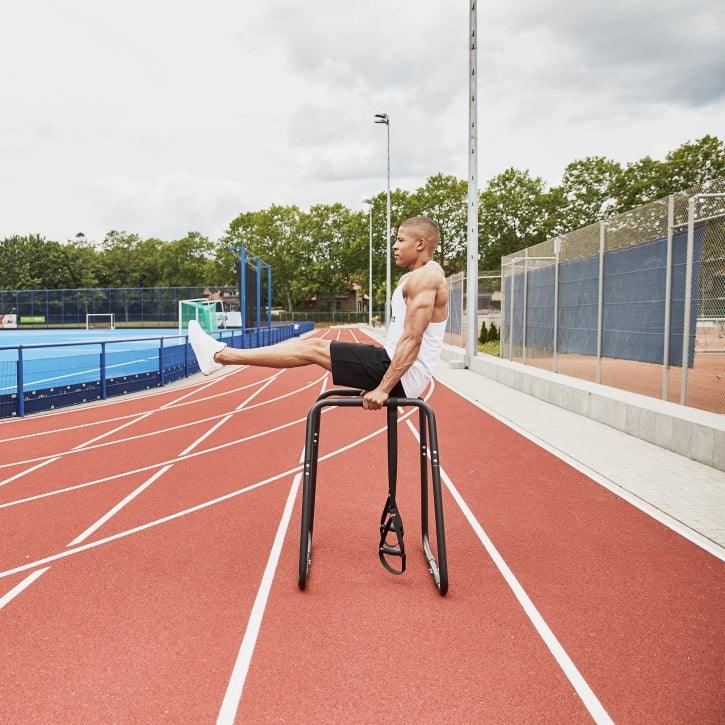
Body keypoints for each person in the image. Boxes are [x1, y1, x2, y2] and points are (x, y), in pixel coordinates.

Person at [188, 216, 448, 410]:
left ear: (420, 243)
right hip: (393, 365)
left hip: (400, 374)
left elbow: (413, 339)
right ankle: (221, 356)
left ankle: (221, 356)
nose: (394, 245)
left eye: (400, 240)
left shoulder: (427, 277)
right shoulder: (416, 276)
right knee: (313, 347)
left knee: (311, 348)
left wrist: (383, 389)